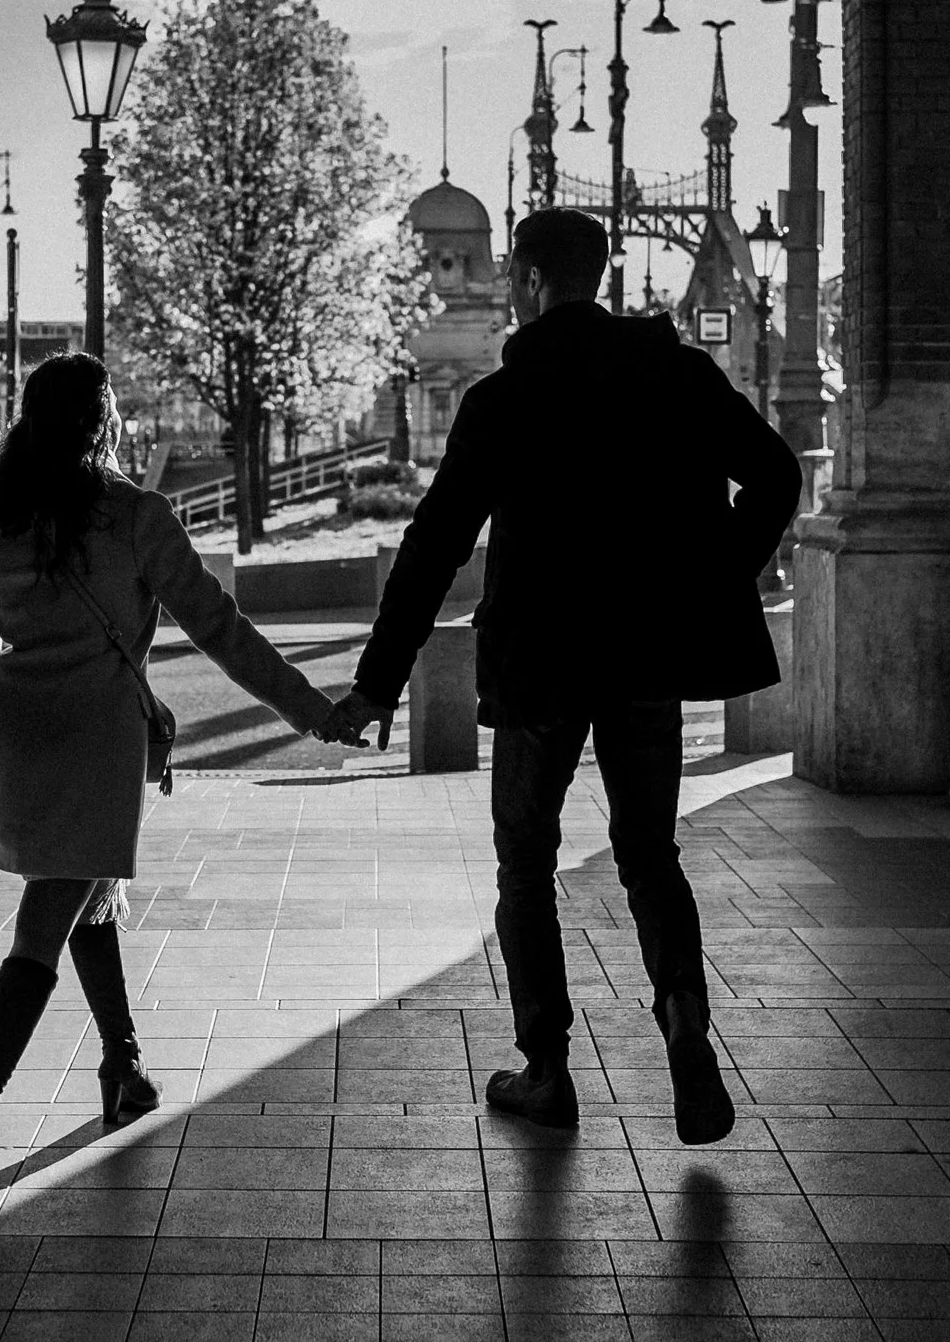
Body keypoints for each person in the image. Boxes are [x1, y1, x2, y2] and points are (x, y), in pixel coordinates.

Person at [321, 208, 802, 1144]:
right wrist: (709, 577)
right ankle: (682, 1025)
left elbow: (433, 546)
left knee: (526, 863)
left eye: (512, 278)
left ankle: (548, 1071)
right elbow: (776, 475)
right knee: (648, 854)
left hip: (541, 662)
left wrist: (380, 681)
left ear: (533, 282)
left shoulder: (507, 398)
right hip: (648, 654)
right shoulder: (678, 372)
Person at [0, 353, 353, 1187]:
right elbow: (222, 631)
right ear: (103, 421)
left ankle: (123, 1070)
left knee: (83, 890)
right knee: (47, 919)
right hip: (95, 735)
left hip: (17, 729)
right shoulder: (134, 516)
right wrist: (310, 709)